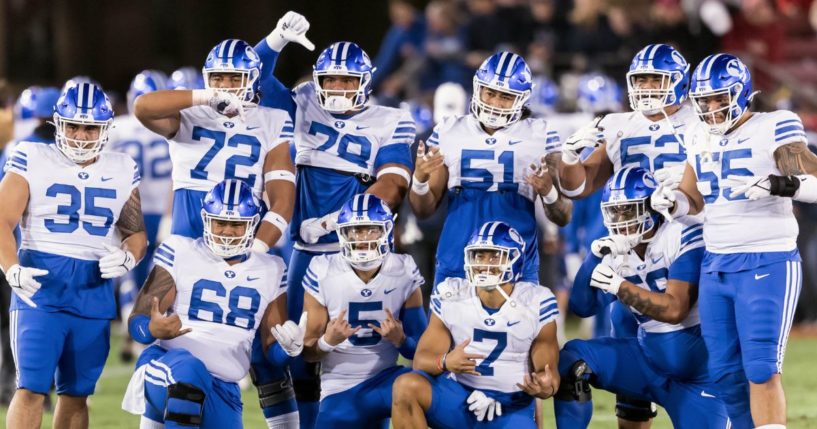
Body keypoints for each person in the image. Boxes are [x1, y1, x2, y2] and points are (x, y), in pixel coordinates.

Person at [253, 12, 415, 428]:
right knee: (293, 352)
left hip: (364, 255)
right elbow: (252, 79)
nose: (339, 88)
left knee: (369, 355)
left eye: (347, 80)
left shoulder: (391, 120)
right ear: (318, 80)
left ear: (365, 82)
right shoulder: (302, 102)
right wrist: (274, 42)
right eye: (332, 80)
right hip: (305, 253)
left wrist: (330, 222)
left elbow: (393, 184)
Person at [652, 53, 817, 429]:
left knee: (760, 367)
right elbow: (692, 199)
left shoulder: (774, 125)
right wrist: (673, 203)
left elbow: (811, 174)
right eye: (704, 100)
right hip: (717, 263)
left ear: (741, 94)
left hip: (768, 260)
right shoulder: (694, 133)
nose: (710, 108)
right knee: (725, 372)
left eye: (718, 98)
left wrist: (780, 183)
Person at [557, 44, 697, 426]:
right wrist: (569, 158)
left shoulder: (701, 118)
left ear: (679, 81)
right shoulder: (619, 125)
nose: (648, 87)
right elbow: (578, 186)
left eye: (657, 78)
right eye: (641, 79)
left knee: (701, 336)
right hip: (630, 247)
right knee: (627, 332)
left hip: (687, 239)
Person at [1, 83, 147, 428]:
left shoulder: (122, 167)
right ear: (58, 124)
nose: (81, 135)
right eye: (73, 126)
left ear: (106, 128)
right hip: (40, 287)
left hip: (93, 290)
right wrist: (12, 269)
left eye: (90, 127)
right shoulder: (32, 155)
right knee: (31, 387)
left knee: (77, 393)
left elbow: (136, 234)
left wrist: (129, 257)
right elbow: (3, 221)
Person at [554, 166, 729, 428]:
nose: (621, 219)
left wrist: (619, 286)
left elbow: (675, 310)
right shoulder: (615, 249)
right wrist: (594, 258)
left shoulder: (682, 234)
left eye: (629, 209)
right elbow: (582, 306)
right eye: (614, 211)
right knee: (572, 359)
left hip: (699, 376)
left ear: (651, 206)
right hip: (648, 362)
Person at [121, 179, 303, 429]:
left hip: (223, 386)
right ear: (207, 220)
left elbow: (271, 350)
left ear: (252, 225)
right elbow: (137, 323)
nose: (227, 231)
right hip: (165, 366)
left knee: (195, 380)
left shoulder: (271, 268)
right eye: (220, 222)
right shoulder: (180, 250)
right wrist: (153, 330)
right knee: (189, 369)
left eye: (237, 224)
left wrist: (289, 348)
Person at [409, 51, 572, 287]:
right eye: (490, 93)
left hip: (516, 261)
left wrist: (548, 192)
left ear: (521, 98)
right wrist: (420, 180)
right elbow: (423, 210)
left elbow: (564, 214)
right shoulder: (449, 130)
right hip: (457, 258)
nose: (495, 103)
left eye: (505, 96)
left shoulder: (542, 135)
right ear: (478, 89)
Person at [392, 221, 560, 428]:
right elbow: (421, 360)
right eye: (479, 255)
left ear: (514, 259)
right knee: (406, 386)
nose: (484, 263)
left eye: (494, 255)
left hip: (510, 405)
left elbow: (549, 374)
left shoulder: (536, 301)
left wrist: (545, 386)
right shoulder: (452, 294)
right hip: (459, 397)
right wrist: (444, 362)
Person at [133, 38, 295, 252]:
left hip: (242, 228)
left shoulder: (272, 119)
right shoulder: (190, 114)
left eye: (235, 78)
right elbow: (142, 107)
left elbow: (282, 200)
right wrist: (204, 97)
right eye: (217, 78)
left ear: (253, 79)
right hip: (189, 228)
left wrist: (258, 248)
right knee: (164, 286)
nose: (224, 86)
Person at [300, 193, 427, 428]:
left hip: (388, 380)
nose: (363, 238)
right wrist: (328, 341)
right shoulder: (323, 270)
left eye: (371, 229)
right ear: (343, 233)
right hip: (339, 389)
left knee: (433, 390)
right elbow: (308, 353)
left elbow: (421, 352)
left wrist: (402, 341)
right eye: (356, 230)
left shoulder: (403, 269)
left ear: (386, 230)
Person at [109, 70, 174, 360]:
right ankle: (146, 330)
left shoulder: (117, 128)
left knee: (129, 273)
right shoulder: (175, 121)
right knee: (161, 275)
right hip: (166, 208)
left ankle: (132, 331)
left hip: (129, 208)